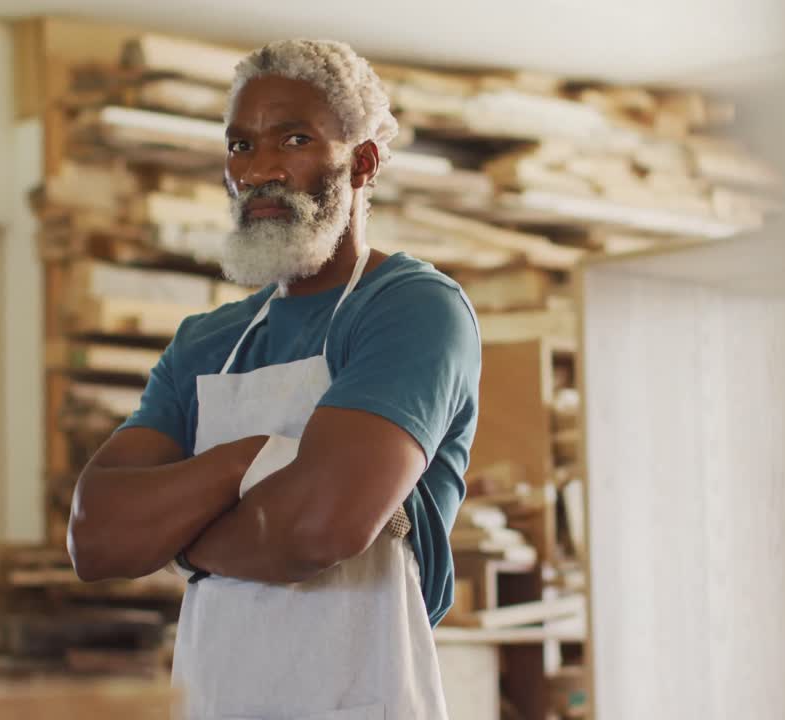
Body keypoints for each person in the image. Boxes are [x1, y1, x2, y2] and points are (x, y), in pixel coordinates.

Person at [66, 38, 480, 719]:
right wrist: (248, 460)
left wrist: (177, 537)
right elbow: (97, 537)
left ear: (363, 163)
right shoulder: (207, 343)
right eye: (240, 146)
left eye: (293, 139)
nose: (259, 170)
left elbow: (320, 528)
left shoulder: (411, 309)